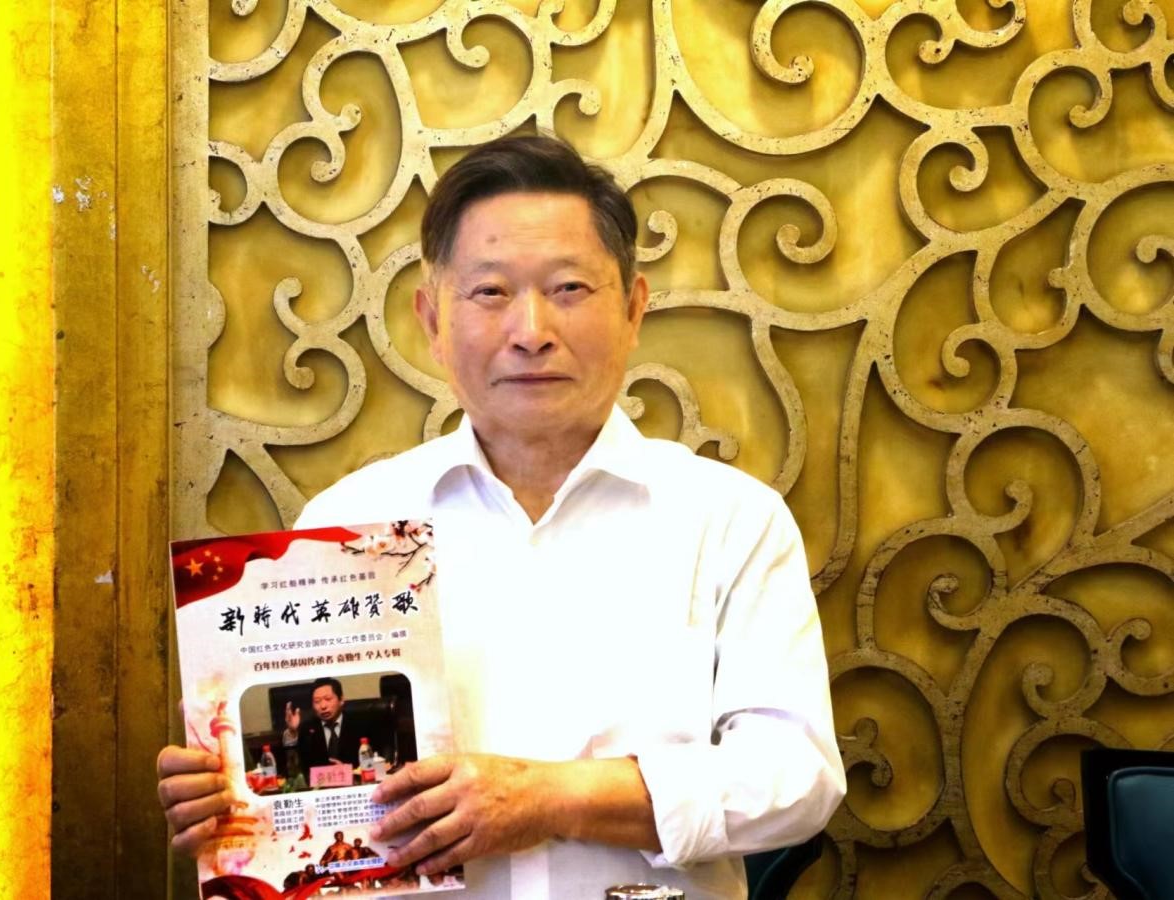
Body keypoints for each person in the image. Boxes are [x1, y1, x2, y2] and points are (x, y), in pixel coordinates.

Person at [157, 134, 846, 898]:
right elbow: (303, 794)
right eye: (489, 292)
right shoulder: (347, 526)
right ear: (432, 319)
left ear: (633, 308)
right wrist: (233, 795)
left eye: (569, 288)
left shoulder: (731, 519)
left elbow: (796, 777)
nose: (531, 331)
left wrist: (550, 799)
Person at [281, 677, 372, 778]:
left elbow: (375, 763)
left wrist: (347, 772)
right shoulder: (307, 729)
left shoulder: (360, 725)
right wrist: (292, 732)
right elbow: (293, 770)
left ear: (341, 699)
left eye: (328, 699)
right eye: (317, 701)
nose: (323, 706)